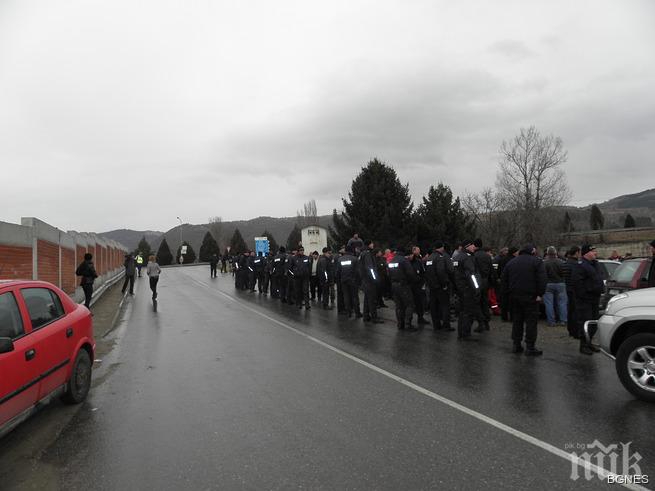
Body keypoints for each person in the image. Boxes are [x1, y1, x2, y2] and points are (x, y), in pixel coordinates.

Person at [501, 244, 547, 355]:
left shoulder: (511, 262)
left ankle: (516, 344)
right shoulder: (537, 262)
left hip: (514, 296)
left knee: (517, 321)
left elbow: (504, 279)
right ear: (532, 251)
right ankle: (530, 346)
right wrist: (540, 294)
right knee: (531, 322)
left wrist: (507, 294)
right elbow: (542, 279)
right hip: (531, 297)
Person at [572, 244, 605, 355]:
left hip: (595, 298)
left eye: (595, 250)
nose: (595, 253)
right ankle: (583, 345)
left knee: (593, 322)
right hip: (585, 300)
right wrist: (584, 295)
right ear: (586, 253)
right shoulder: (580, 265)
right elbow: (577, 283)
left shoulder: (595, 264)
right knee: (585, 322)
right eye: (593, 251)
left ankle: (589, 342)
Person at [452, 240, 481, 340]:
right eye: (472, 245)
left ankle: (461, 333)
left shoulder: (456, 257)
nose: (474, 247)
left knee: (462, 312)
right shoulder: (467, 258)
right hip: (468, 289)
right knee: (468, 312)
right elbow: (471, 275)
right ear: (468, 246)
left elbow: (453, 275)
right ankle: (466, 334)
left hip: (460, 289)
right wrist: (477, 288)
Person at [424, 242, 455, 331]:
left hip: (432, 286)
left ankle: (436, 325)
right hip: (441, 287)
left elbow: (428, 273)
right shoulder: (441, 257)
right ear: (441, 248)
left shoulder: (430, 258)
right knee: (445, 306)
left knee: (434, 306)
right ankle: (446, 325)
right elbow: (442, 272)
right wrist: (444, 283)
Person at [387, 246, 418, 330]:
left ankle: (400, 324)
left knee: (399, 306)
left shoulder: (392, 260)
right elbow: (410, 273)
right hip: (403, 285)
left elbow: (388, 274)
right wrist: (413, 281)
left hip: (394, 285)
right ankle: (408, 324)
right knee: (409, 304)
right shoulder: (404, 260)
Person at [543, 246, 567, 327]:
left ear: (547, 253)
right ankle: (563, 320)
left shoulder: (544, 263)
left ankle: (551, 321)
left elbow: (543, 275)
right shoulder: (561, 262)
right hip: (560, 283)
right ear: (556, 253)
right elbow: (564, 274)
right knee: (562, 303)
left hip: (548, 284)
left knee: (549, 304)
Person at [359, 240, 383, 323]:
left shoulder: (362, 253)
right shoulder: (368, 254)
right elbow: (370, 268)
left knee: (367, 299)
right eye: (372, 243)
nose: (373, 245)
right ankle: (374, 317)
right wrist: (375, 278)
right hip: (369, 281)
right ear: (369, 244)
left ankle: (366, 316)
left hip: (365, 280)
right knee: (372, 299)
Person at [473, 239, 493, 331]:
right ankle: (486, 322)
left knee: (477, 303)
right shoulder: (487, 256)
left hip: (477, 281)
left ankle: (481, 322)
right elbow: (492, 271)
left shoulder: (474, 256)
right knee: (484, 302)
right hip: (486, 281)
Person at [561, 246, 581, 338]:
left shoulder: (566, 263)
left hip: (567, 288)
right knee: (575, 312)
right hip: (574, 290)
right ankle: (575, 331)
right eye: (579, 252)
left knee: (570, 310)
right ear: (576, 253)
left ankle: (570, 330)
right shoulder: (575, 264)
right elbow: (576, 279)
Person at [336, 246, 361, 318]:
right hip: (353, 280)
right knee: (354, 296)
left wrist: (339, 280)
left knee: (346, 296)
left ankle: (349, 312)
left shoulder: (340, 259)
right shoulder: (354, 259)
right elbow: (358, 272)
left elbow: (338, 271)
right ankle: (357, 312)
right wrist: (359, 281)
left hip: (344, 280)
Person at [409, 246, 429, 326]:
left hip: (419, 284)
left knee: (420, 302)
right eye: (418, 250)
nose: (419, 252)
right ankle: (410, 320)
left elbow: (422, 271)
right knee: (415, 302)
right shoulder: (410, 260)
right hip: (414, 284)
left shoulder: (419, 259)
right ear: (413, 251)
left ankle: (420, 317)